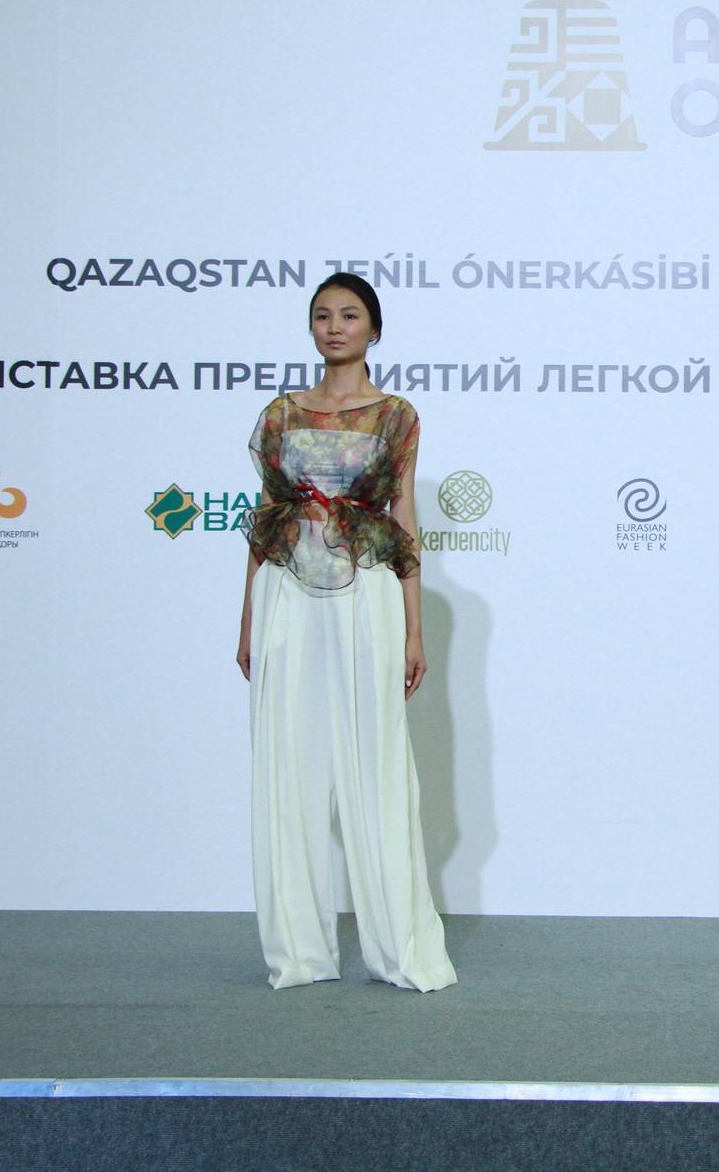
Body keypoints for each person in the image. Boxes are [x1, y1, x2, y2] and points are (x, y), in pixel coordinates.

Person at [236, 272, 457, 992]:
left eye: (350, 315)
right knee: (286, 765)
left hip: (366, 588)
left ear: (374, 330)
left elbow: (403, 519)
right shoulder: (280, 414)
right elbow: (265, 518)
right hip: (285, 589)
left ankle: (399, 949)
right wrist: (247, 617)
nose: (334, 327)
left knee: (377, 762)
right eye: (323, 316)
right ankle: (299, 953)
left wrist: (414, 628)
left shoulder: (396, 416)